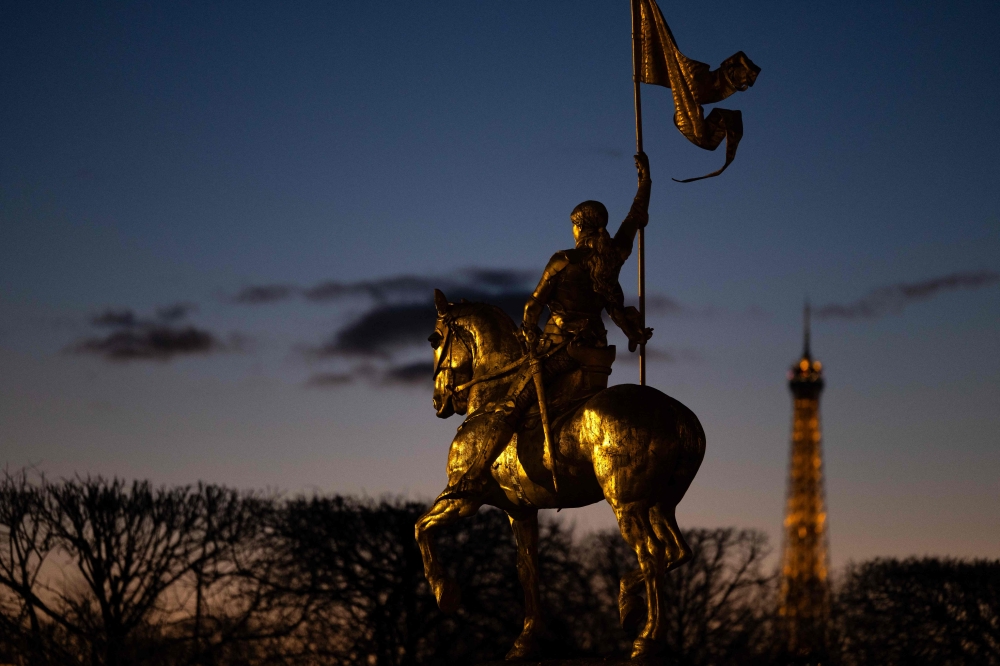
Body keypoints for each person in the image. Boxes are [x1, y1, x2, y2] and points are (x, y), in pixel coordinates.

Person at [440, 153, 654, 500]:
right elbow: (636, 218)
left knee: (509, 406)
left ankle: (474, 476)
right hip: (597, 353)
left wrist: (528, 333)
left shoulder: (564, 261)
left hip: (561, 350)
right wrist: (645, 183)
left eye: (574, 224)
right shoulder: (614, 255)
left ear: (580, 227)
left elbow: (532, 304)